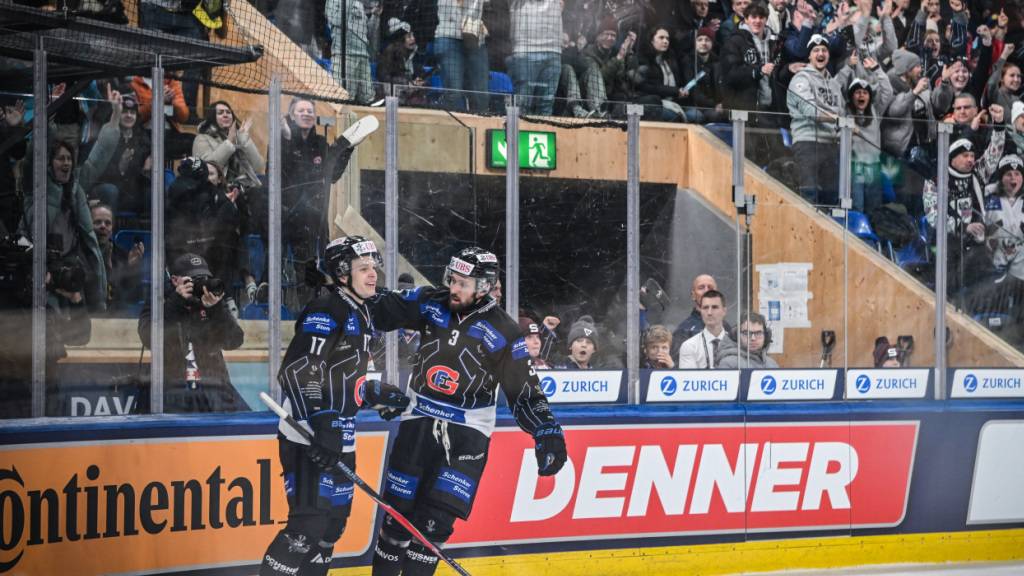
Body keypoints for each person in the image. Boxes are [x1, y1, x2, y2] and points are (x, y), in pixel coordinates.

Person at [367, 247, 567, 576]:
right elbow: (382, 308)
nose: (454, 288)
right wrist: (343, 291)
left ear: (485, 286)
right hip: (419, 422)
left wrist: (547, 432)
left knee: (434, 526)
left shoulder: (505, 331)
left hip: (466, 437)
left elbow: (525, 393)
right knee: (397, 520)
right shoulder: (431, 301)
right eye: (453, 279)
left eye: (463, 283)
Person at [259, 237, 409, 576]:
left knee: (330, 530)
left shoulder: (360, 310)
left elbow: (338, 375)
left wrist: (372, 392)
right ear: (343, 274)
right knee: (307, 527)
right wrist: (324, 423)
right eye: (364, 269)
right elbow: (300, 370)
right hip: (307, 436)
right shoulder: (327, 308)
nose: (374, 275)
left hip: (341, 436)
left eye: (374, 267)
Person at [138, 253, 247, 413]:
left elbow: (235, 341)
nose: (200, 285)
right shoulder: (159, 299)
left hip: (212, 388)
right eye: (194, 280)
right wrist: (176, 303)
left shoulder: (211, 302)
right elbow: (148, 337)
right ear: (175, 280)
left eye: (204, 278)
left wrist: (215, 310)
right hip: (171, 390)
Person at [787, 33, 851, 206]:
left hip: (831, 146)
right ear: (809, 55)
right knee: (809, 197)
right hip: (807, 144)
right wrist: (838, 120)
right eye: (816, 50)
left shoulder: (834, 84)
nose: (820, 54)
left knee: (831, 200)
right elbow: (810, 111)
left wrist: (843, 123)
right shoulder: (801, 79)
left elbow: (842, 111)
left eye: (824, 50)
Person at [193, 100, 265, 192]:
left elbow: (258, 167)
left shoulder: (239, 138)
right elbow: (207, 168)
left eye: (228, 112)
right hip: (217, 190)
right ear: (212, 117)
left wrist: (244, 138)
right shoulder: (201, 138)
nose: (225, 115)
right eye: (220, 113)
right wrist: (229, 143)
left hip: (243, 187)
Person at [508, 0, 563, 116]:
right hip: (525, 49)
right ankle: (517, 134)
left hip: (553, 50)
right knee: (522, 104)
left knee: (546, 105)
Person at [91, 204, 145, 314]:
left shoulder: (122, 255)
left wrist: (131, 268)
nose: (103, 226)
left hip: (115, 316)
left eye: (108, 223)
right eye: (97, 222)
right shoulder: (80, 253)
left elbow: (133, 296)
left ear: (112, 228)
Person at [677, 289, 731, 369]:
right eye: (705, 308)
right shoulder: (689, 346)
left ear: (724, 311)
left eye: (714, 307)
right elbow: (689, 379)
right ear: (701, 311)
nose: (709, 312)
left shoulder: (735, 344)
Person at [671, 273, 719, 357]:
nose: (706, 291)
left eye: (710, 288)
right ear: (693, 295)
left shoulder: (726, 328)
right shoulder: (683, 330)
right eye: (701, 287)